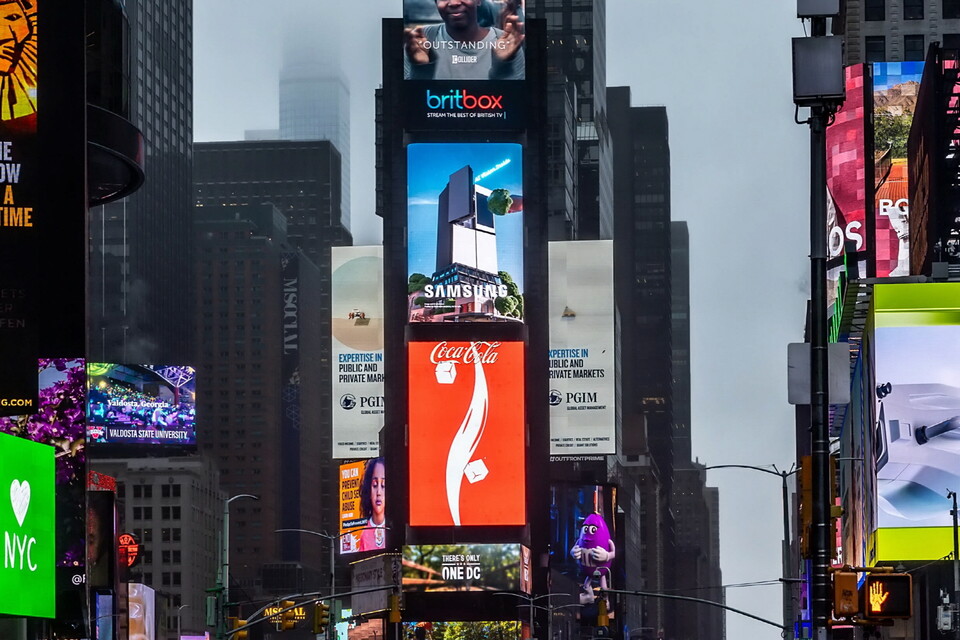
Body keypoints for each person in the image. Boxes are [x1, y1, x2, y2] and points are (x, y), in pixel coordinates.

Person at [404, 0, 524, 81]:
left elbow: (516, 101)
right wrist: (420, 69)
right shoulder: (421, 40)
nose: (454, 3)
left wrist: (503, 66)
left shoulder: (505, 42)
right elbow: (408, 103)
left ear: (478, 1)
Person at [357, 457, 386, 551]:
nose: (378, 492)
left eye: (383, 486)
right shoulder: (362, 533)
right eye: (375, 485)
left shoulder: (397, 529)